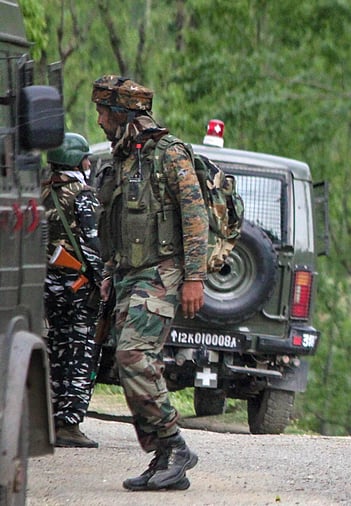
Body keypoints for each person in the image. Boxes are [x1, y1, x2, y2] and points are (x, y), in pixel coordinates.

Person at [92, 75, 206, 491]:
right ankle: (164, 458)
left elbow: (196, 217)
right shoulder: (122, 157)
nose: (100, 119)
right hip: (127, 274)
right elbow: (116, 224)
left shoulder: (167, 153)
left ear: (123, 113)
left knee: (133, 356)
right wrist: (109, 273)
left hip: (162, 271)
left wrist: (195, 277)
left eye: (105, 111)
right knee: (134, 364)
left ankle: (175, 445)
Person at [41, 132, 104, 448]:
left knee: (52, 349)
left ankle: (47, 418)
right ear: (77, 161)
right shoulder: (84, 196)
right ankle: (69, 425)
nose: (89, 163)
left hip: (45, 287)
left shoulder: (40, 192)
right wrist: (103, 279)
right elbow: (92, 245)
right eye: (86, 158)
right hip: (77, 287)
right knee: (79, 351)